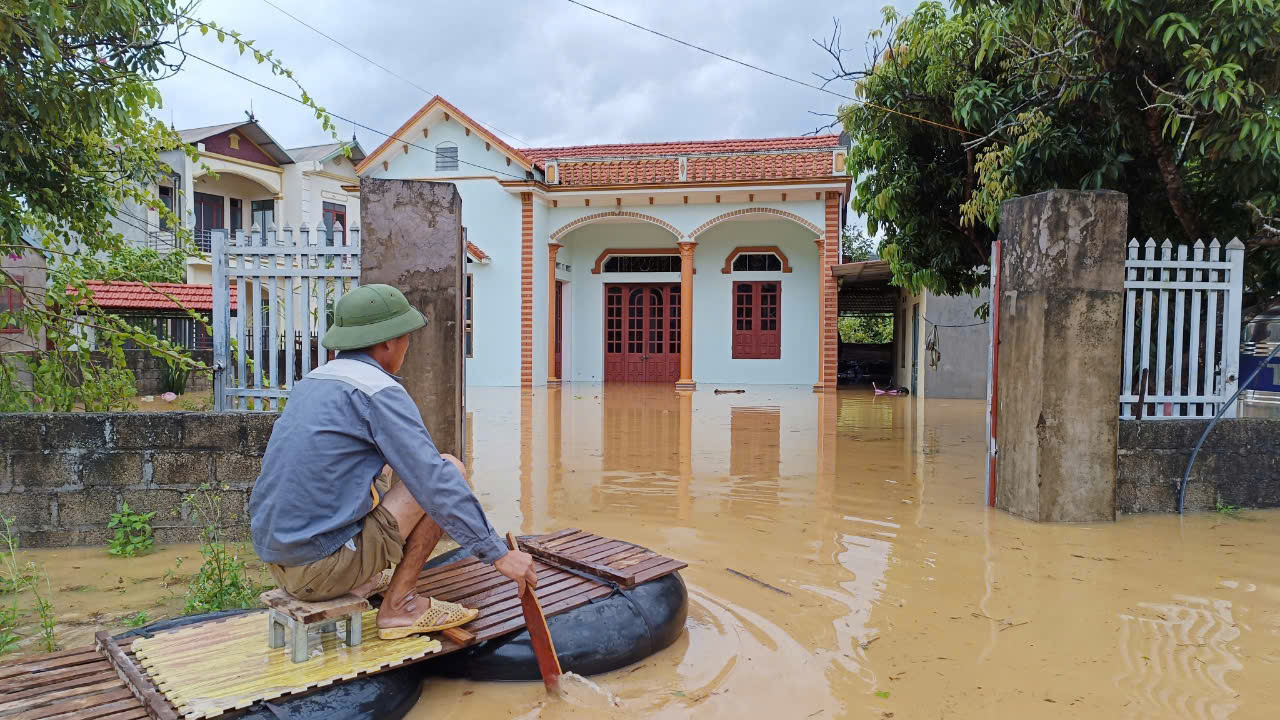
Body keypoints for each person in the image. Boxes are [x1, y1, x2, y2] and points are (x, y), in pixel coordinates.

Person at [249, 283, 537, 640]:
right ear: (387, 341)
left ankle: (365, 573)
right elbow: (434, 480)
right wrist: (497, 554)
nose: (406, 347)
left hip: (281, 562)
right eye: (406, 338)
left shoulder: (316, 380)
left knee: (384, 464)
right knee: (449, 469)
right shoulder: (377, 390)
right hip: (319, 571)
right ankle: (399, 606)